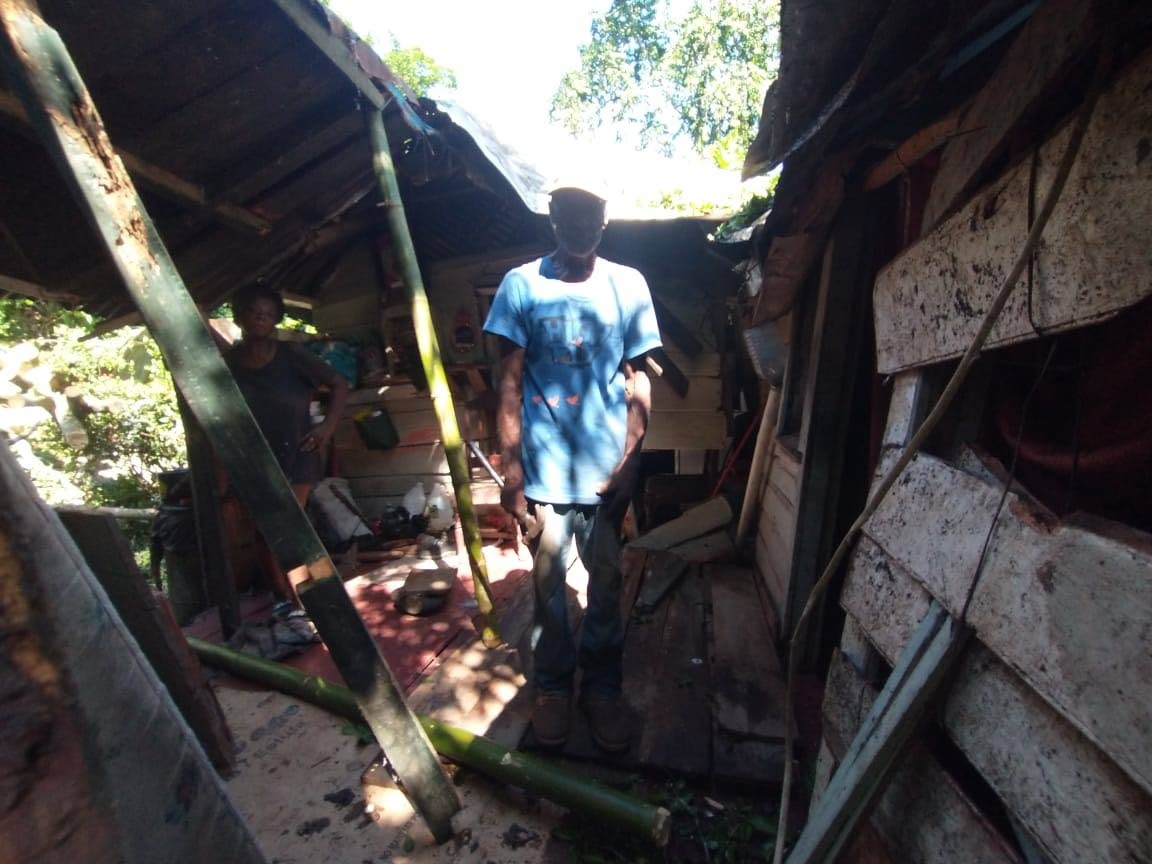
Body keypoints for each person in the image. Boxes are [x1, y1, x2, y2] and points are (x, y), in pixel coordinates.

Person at [483, 183, 662, 752]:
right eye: (569, 214)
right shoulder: (521, 285)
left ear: (604, 221)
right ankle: (554, 688)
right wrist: (512, 475)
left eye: (591, 215)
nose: (581, 225)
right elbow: (509, 382)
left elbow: (639, 379)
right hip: (543, 475)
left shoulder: (628, 284)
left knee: (606, 584)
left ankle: (602, 689)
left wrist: (631, 463)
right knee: (547, 590)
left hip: (606, 476)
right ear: (552, 219)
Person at [225, 284, 349, 612]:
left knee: (293, 525)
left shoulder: (291, 355)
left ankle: (312, 596)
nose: (260, 319)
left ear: (276, 319)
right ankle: (285, 598)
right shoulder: (230, 362)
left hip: (298, 452)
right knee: (265, 531)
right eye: (253, 312)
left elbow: (339, 384)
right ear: (239, 317)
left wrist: (326, 428)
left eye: (268, 314)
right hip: (255, 458)